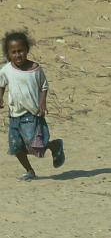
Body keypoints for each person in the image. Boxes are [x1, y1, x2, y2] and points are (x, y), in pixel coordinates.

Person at [0, 31, 66, 181]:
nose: (18, 55)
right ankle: (30, 171)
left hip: (32, 113)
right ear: (8, 54)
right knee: (16, 146)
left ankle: (54, 146)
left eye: (21, 51)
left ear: (27, 50)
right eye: (14, 52)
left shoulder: (35, 69)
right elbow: (1, 84)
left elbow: (44, 86)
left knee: (35, 145)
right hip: (14, 114)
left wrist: (42, 102)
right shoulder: (6, 70)